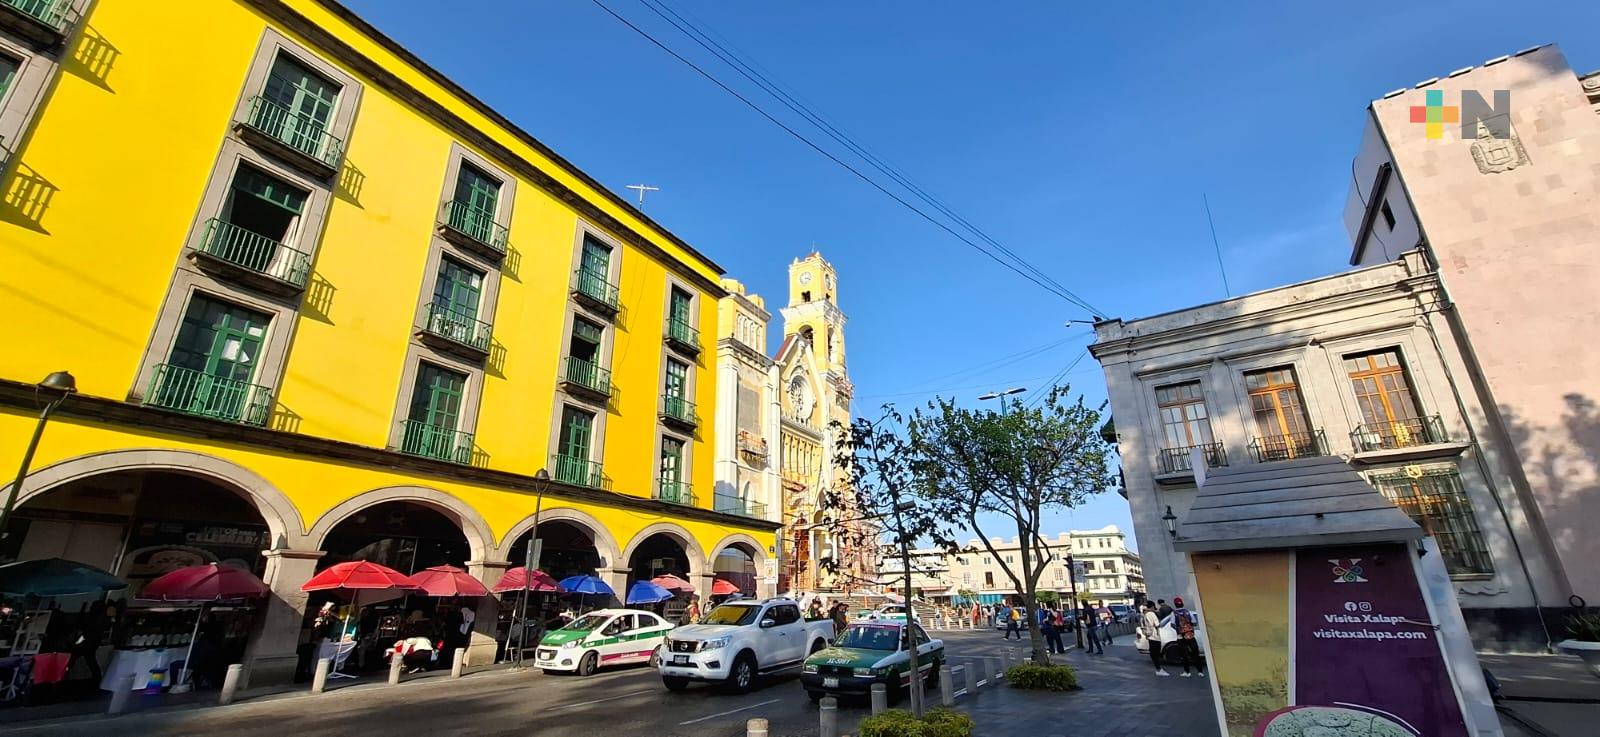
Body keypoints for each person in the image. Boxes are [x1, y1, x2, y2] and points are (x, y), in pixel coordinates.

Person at [67, 600, 107, 682]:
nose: (91, 607)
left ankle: (64, 671)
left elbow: (86, 630)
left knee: (77, 657)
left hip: (88, 641)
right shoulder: (99, 617)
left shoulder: (95, 617)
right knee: (89, 659)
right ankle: (97, 678)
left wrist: (78, 642)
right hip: (91, 642)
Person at [1171, 596, 1205, 678]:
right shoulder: (1187, 612)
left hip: (1180, 637)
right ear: (1182, 603)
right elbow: (1194, 622)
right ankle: (1200, 672)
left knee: (1184, 655)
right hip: (1190, 636)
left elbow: (1172, 624)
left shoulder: (1173, 613)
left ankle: (1187, 672)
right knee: (1195, 654)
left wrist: (1179, 629)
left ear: (1175, 604)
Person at [1141, 601, 1167, 676]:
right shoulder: (1152, 614)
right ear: (1152, 606)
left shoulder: (1145, 614)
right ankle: (1159, 669)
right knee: (1156, 654)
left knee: (1153, 653)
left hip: (1150, 636)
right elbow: (1157, 624)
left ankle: (1158, 669)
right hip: (1155, 636)